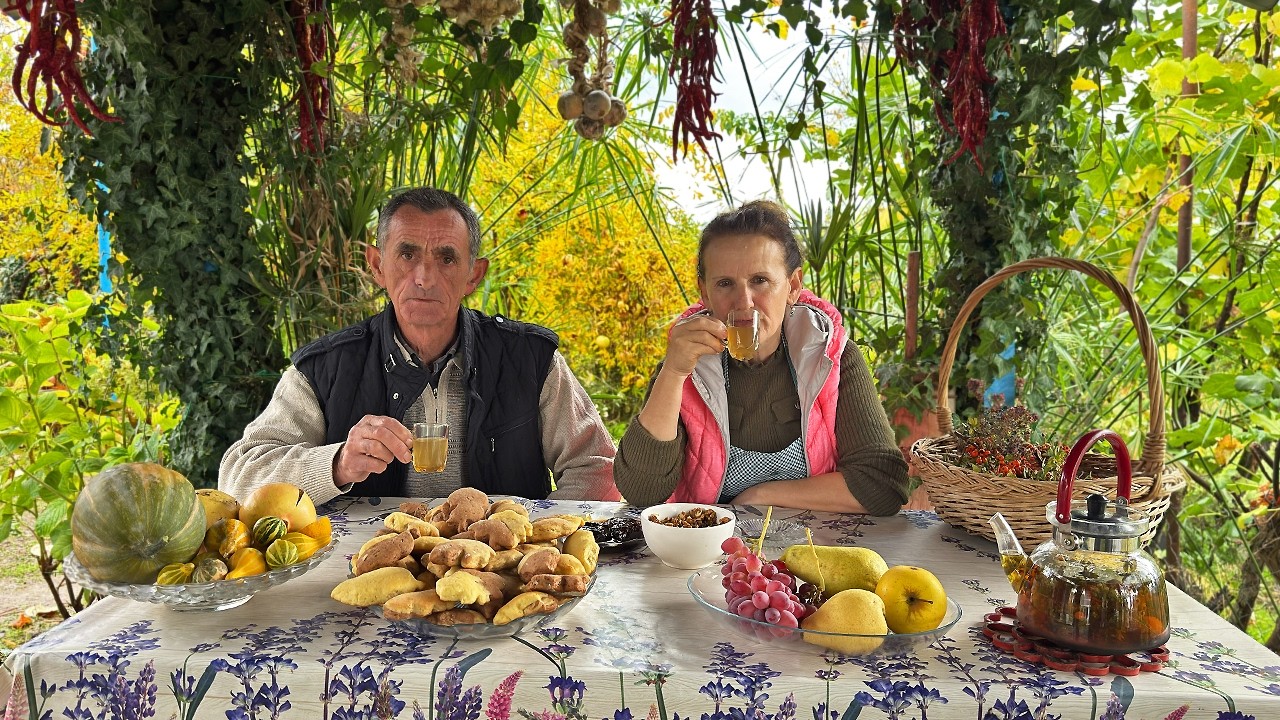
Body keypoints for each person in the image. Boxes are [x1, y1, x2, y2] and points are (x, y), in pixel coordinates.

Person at [219, 187, 620, 504]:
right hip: (367, 568)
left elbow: (597, 465)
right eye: (407, 254)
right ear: (377, 265)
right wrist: (337, 463)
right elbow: (237, 476)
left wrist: (534, 540)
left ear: (473, 275)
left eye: (446, 258)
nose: (424, 277)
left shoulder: (530, 359)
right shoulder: (325, 368)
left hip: (500, 575)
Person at [614, 200, 908, 514]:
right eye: (725, 284)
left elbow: (883, 484)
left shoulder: (829, 358)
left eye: (760, 281)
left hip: (816, 552)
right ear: (704, 292)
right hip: (712, 556)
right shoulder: (686, 366)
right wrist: (672, 373)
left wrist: (760, 496)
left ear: (793, 286)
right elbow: (641, 492)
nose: (744, 303)